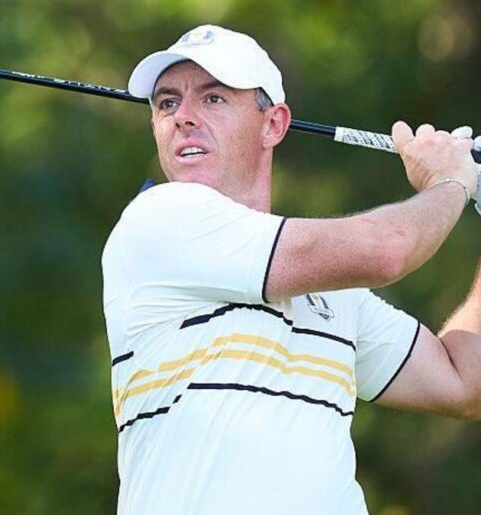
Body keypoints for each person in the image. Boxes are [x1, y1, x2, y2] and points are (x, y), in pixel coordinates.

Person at [101, 25, 481, 515]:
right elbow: (389, 249)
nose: (183, 118)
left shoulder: (332, 291)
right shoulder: (160, 221)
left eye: (213, 99)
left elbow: (463, 384)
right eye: (167, 103)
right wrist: (452, 181)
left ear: (274, 124)